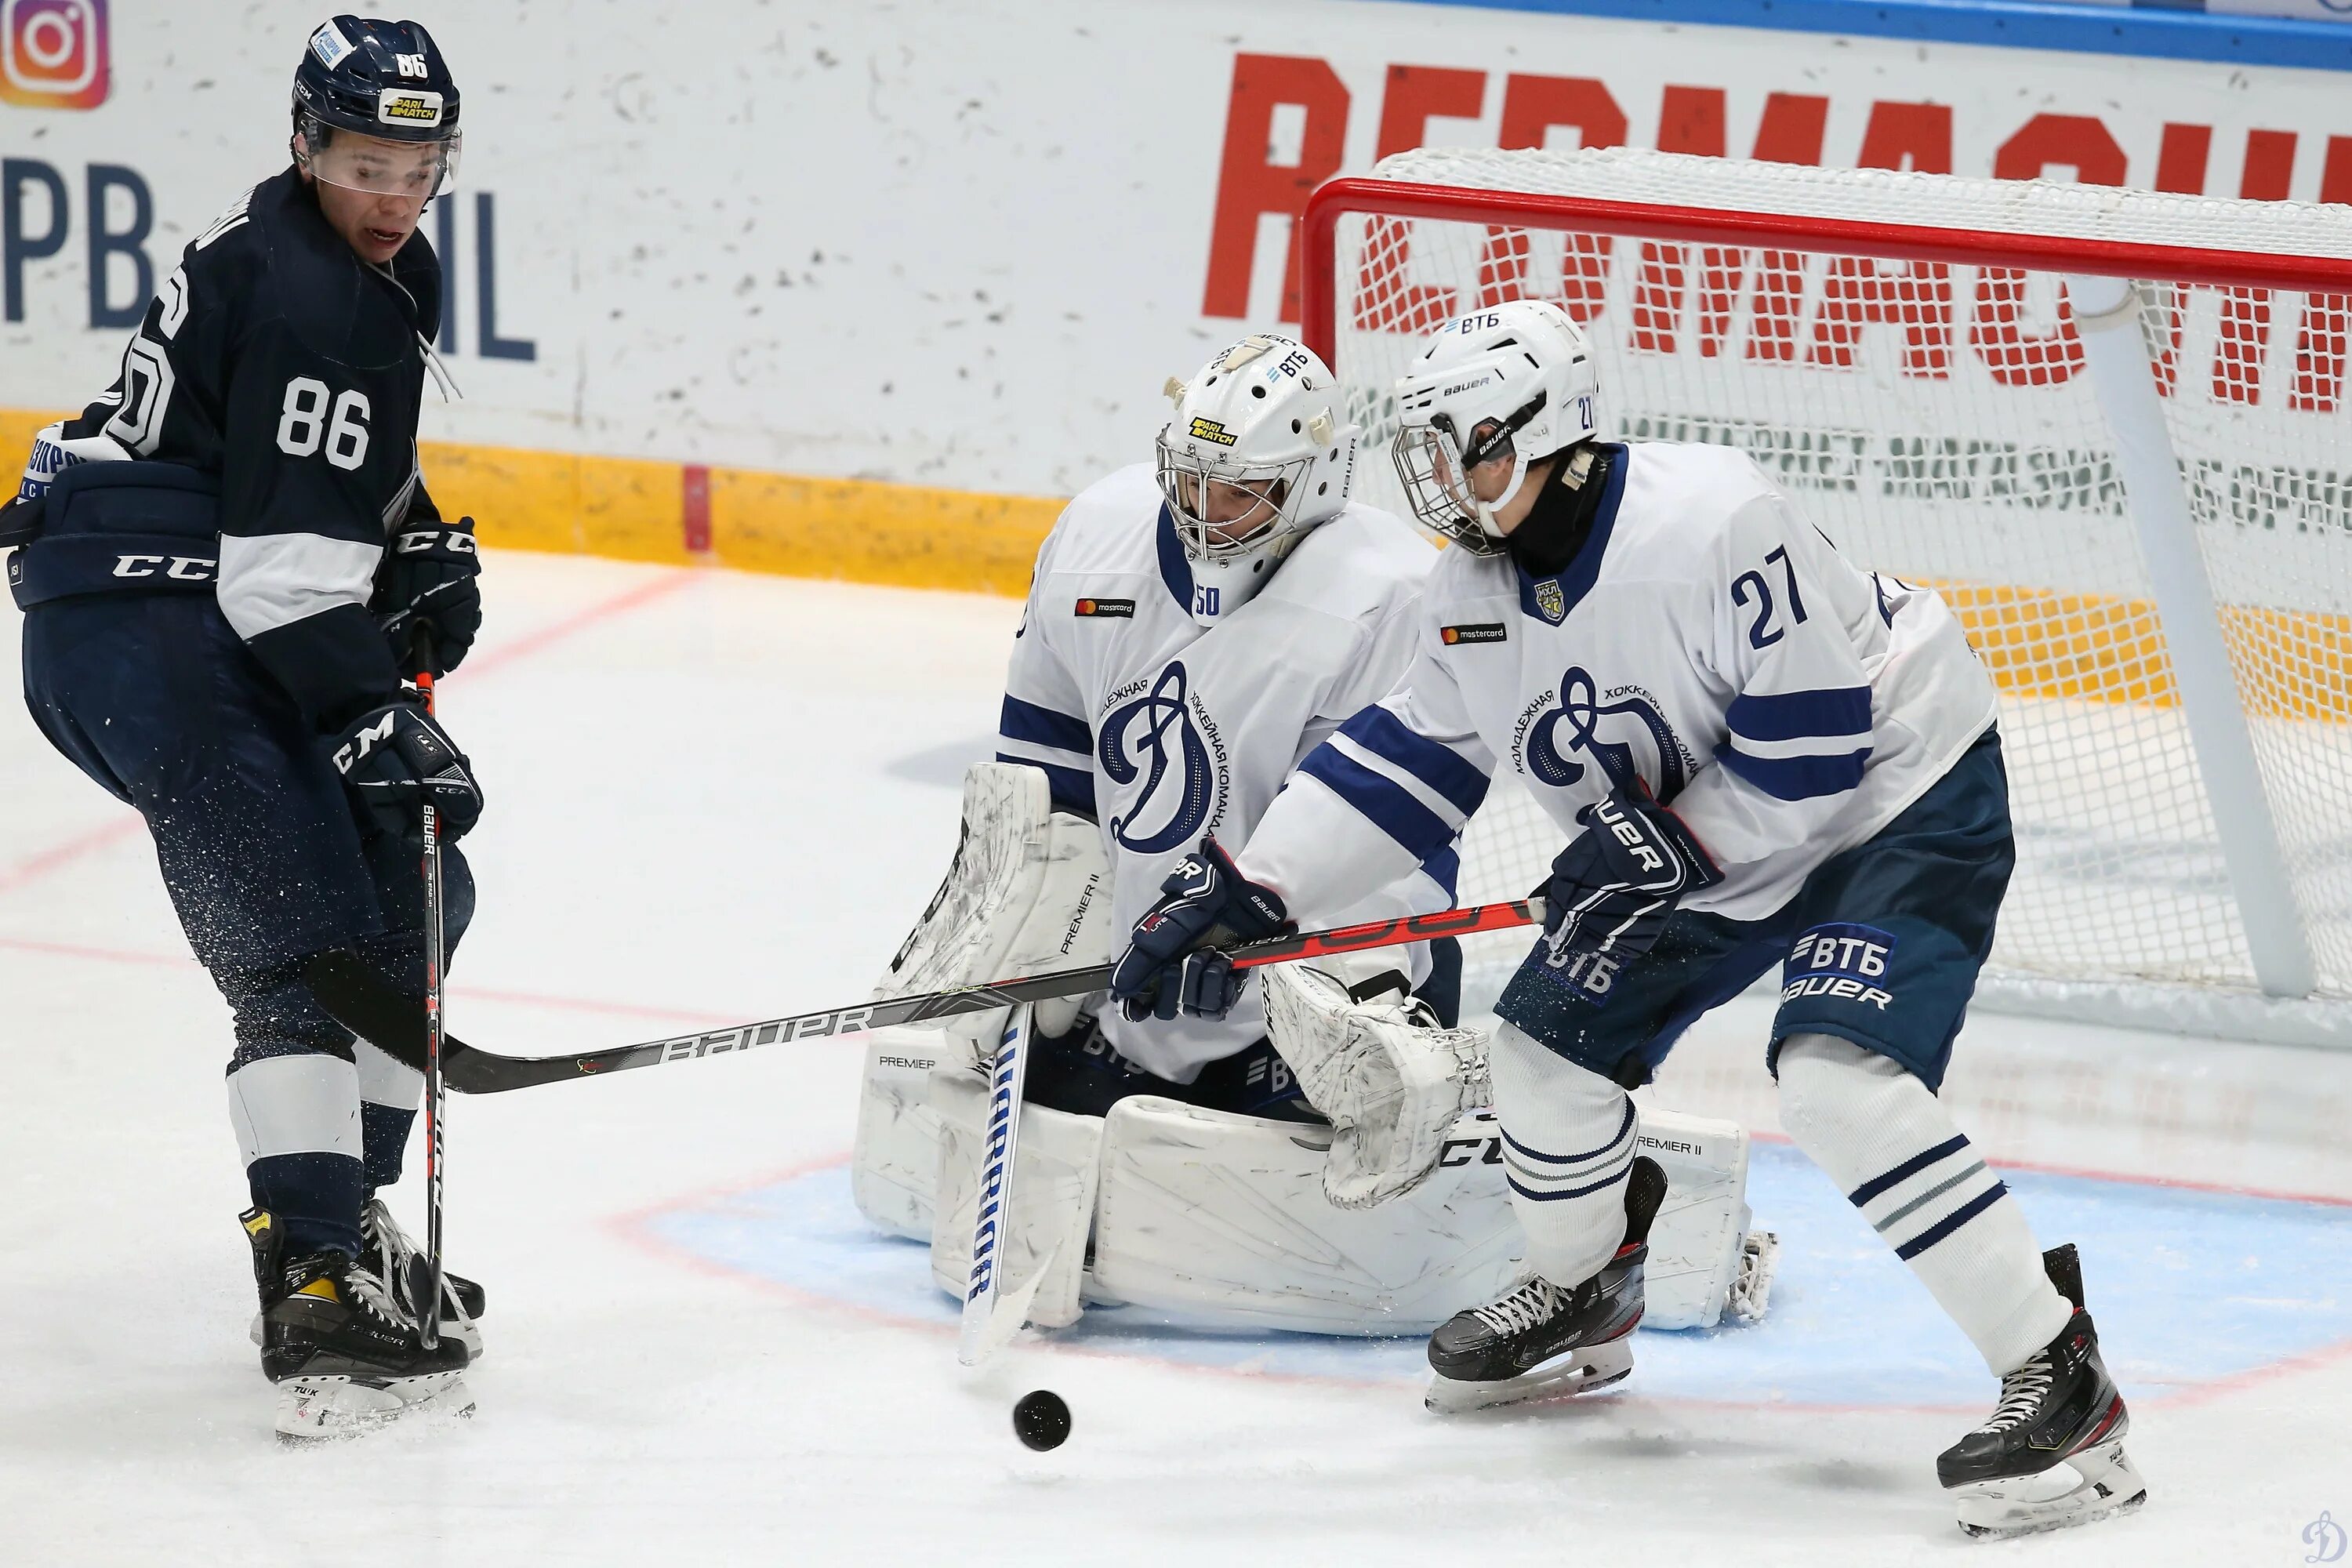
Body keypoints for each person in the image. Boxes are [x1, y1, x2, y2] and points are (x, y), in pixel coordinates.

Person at [1106, 299, 2144, 1539]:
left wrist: (1672, 840)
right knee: (1543, 1061)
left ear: (1559, 437)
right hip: (1705, 836)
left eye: (1469, 448)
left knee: (1838, 1085)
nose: (1441, 479)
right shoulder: (1472, 589)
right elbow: (1406, 760)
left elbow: (1815, 752)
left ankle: (2060, 1371)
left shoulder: (1713, 520)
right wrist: (1251, 890)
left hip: (1894, 795)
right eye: (1429, 451)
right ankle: (1584, 1282)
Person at [2, 16, 486, 1439]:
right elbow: (281, 576)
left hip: (188, 607)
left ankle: (348, 1211)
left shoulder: (340, 265)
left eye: (418, 161)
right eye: (359, 156)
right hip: (144, 631)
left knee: (417, 883)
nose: (392, 190)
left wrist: (404, 550)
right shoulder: (312, 293)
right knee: (305, 937)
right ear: (301, 145)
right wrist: (359, 709)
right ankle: (318, 1275)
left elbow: (283, 475)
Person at [869, 331, 1488, 1229]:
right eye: (1188, 477)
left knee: (1365, 1085)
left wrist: (1337, 1001)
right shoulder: (1094, 540)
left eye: (1239, 489)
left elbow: (1390, 847)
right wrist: (1020, 948)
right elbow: (1048, 787)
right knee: (1014, 1043)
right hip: (1139, 981)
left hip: (1306, 969)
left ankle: (1387, 1073)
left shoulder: (1390, 592)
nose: (1204, 508)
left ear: (1315, 479)